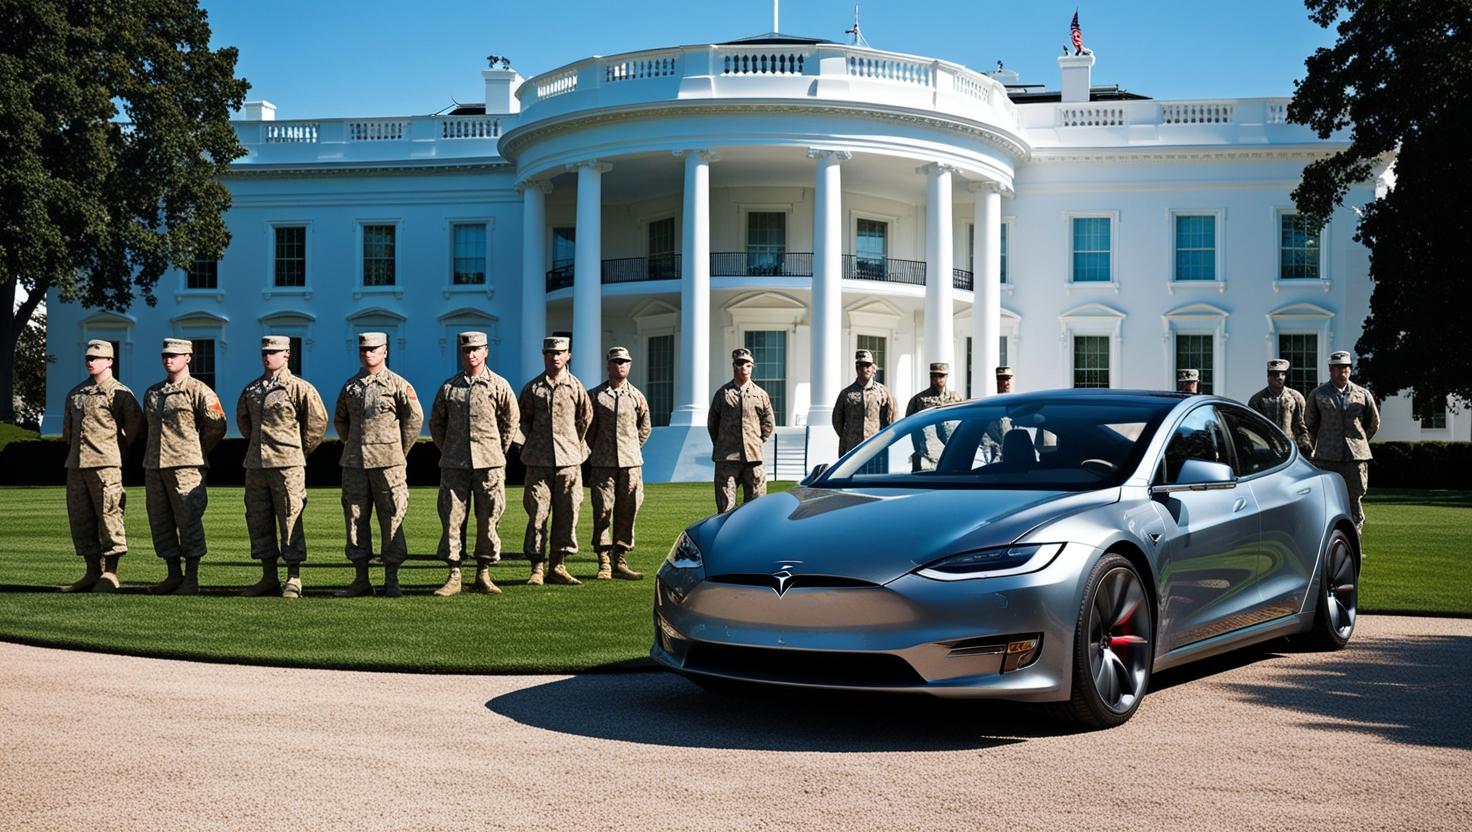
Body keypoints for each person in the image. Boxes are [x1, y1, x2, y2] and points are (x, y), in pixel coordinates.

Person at [427, 331, 519, 597]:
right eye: (467, 350)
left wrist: (496, 450)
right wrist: (450, 449)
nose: (471, 354)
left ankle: (483, 573)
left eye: (476, 349)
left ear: (486, 351)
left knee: (489, 517)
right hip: (455, 464)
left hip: (489, 463)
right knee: (452, 518)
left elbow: (511, 421)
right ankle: (454, 573)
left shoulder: (499, 385)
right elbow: (436, 423)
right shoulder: (449, 387)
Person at [236, 336, 328, 599]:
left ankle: (294, 577)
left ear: (287, 354)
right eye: (265, 351)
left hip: (288, 465)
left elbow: (317, 424)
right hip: (257, 465)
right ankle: (268, 577)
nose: (268, 356)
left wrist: (297, 450)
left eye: (274, 351)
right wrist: (258, 446)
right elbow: (244, 421)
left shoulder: (299, 388)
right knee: (258, 519)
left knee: (290, 518)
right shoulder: (252, 390)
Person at [334, 332, 423, 598]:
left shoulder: (398, 385)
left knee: (392, 518)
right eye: (363, 349)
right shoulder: (351, 387)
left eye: (373, 349)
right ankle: (361, 579)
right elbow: (341, 421)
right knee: (355, 519)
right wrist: (353, 446)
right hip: (355, 464)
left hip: (389, 465)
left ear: (385, 351)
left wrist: (397, 451)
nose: (367, 353)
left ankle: (392, 580)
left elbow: (414, 420)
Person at [141, 338, 227, 595]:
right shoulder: (153, 393)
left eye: (176, 355)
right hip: (155, 465)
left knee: (188, 521)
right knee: (160, 522)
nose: (169, 359)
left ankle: (192, 577)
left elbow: (217, 425)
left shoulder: (199, 391)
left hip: (186, 467)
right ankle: (172, 574)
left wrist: (195, 449)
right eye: (166, 355)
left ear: (188, 357)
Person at [60, 340, 144, 593]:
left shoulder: (119, 394)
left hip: (106, 465)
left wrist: (113, 450)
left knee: (110, 517)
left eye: (96, 358)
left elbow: (135, 429)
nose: (90, 361)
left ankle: (110, 572)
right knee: (81, 519)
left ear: (110, 361)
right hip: (77, 465)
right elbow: (68, 432)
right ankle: (91, 572)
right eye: (88, 357)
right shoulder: (76, 394)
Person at [518, 335, 593, 586]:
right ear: (544, 355)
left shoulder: (576, 387)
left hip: (569, 462)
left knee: (568, 513)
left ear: (568, 355)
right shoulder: (532, 388)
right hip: (538, 463)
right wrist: (534, 443)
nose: (555, 357)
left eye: (560, 353)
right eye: (550, 353)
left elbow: (585, 419)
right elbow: (523, 420)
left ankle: (558, 565)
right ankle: (537, 566)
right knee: (537, 513)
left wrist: (572, 444)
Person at [587, 346, 652, 581]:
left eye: (624, 361)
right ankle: (603, 560)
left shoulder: (636, 396)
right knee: (603, 509)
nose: (620, 365)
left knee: (629, 509)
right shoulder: (594, 395)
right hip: (603, 464)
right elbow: (586, 428)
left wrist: (632, 448)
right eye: (616, 362)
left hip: (631, 464)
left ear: (630, 365)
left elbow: (645, 427)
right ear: (608, 365)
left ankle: (620, 558)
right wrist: (598, 449)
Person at [1306, 350, 1380, 535]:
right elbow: (1310, 424)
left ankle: (1355, 541)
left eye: (1346, 368)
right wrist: (1317, 448)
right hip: (1327, 457)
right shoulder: (1319, 394)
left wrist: (1359, 443)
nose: (1342, 372)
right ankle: (1331, 540)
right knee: (1327, 500)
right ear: (1330, 370)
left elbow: (1373, 422)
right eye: (1338, 368)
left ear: (1350, 370)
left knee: (1354, 499)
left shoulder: (1362, 394)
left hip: (1354, 459)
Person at [708, 347, 775, 513]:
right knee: (725, 507)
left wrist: (756, 441)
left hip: (753, 458)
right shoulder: (723, 394)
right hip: (727, 458)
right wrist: (723, 444)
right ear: (733, 366)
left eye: (748, 364)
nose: (744, 367)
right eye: (740, 363)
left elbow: (768, 423)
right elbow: (712, 424)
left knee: (756, 507)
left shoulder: (760, 394)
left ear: (752, 367)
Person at [833, 349, 894, 455]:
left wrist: (883, 438)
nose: (864, 369)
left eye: (867, 365)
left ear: (873, 368)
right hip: (852, 448)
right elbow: (837, 420)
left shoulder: (882, 392)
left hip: (875, 446)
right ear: (856, 368)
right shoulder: (846, 393)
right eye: (860, 365)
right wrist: (849, 436)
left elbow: (890, 417)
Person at [1247, 358, 1312, 458]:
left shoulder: (1295, 397)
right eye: (1275, 374)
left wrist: (1305, 446)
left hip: (1291, 450)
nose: (1280, 377)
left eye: (1283, 374)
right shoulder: (1258, 400)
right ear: (1268, 377)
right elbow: (1252, 428)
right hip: (1266, 450)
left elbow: (1301, 425)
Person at [905, 362, 964, 471]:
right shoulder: (919, 400)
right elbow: (908, 427)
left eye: (941, 376)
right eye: (935, 376)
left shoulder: (956, 399)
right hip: (926, 458)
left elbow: (963, 425)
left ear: (946, 377)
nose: (938, 379)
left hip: (951, 456)